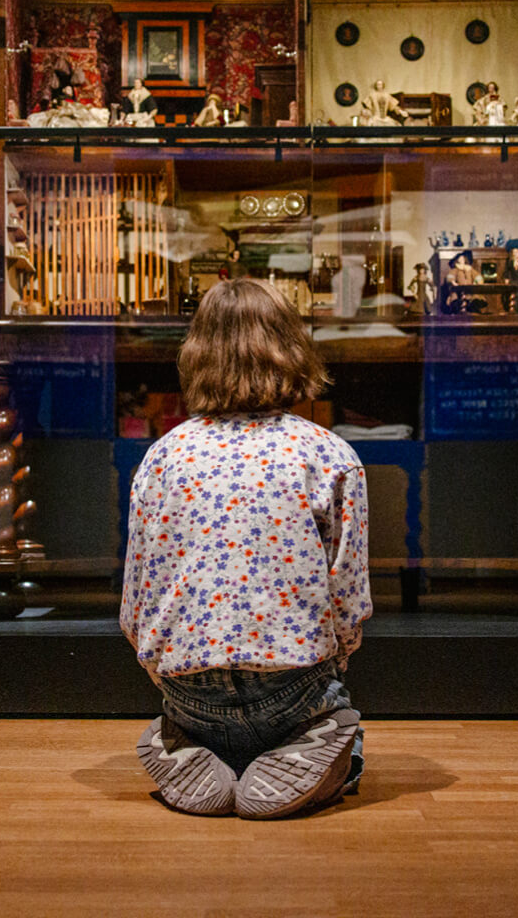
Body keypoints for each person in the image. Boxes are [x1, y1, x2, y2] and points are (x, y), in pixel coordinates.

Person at [121, 279, 371, 819]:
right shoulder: (328, 454)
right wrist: (334, 662)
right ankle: (308, 749)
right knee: (341, 724)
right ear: (291, 349)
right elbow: (349, 598)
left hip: (190, 690)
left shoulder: (163, 457)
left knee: (191, 716)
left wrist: (168, 672)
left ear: (196, 354)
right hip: (294, 686)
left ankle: (185, 745)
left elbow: (135, 603)